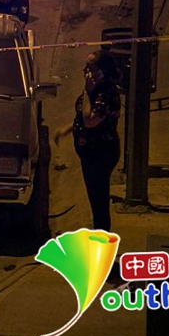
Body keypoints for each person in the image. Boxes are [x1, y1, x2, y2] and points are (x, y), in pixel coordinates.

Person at [54, 51, 122, 231]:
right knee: (95, 199)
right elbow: (82, 119)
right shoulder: (96, 89)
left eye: (90, 67)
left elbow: (90, 120)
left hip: (100, 152)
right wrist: (68, 129)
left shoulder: (105, 93)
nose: (85, 70)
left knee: (99, 201)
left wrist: (86, 91)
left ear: (102, 71)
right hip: (90, 151)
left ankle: (102, 240)